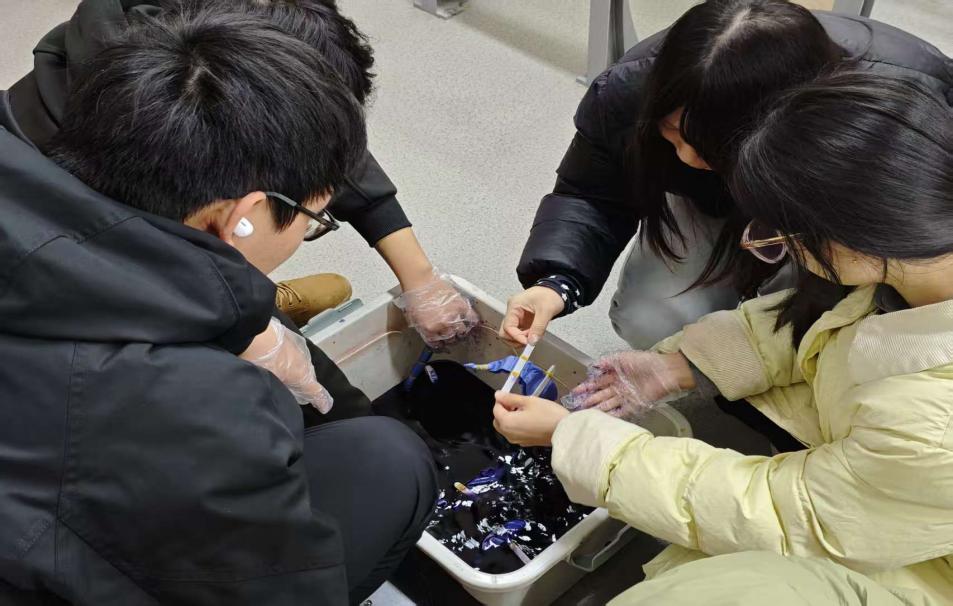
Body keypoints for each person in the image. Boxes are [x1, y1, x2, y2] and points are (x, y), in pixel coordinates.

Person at [0, 9, 436, 604]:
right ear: (243, 217)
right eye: (314, 220)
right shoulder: (210, 414)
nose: (309, 229)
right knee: (392, 460)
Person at [492, 71, 953, 605]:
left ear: (862, 233)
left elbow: (786, 513)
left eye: (782, 234)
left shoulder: (930, 423)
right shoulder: (914, 256)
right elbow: (824, 323)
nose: (773, 248)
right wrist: (681, 364)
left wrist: (577, 442)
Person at [3, 0, 479, 342]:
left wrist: (420, 277)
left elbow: (319, 152)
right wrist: (244, 335)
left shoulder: (201, 61)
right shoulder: (86, 206)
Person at [502, 0, 953, 350]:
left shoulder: (903, 104)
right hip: (708, 199)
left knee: (815, 333)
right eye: (672, 133)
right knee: (651, 319)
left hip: (826, 212)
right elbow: (589, 191)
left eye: (713, 146)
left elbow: (922, 249)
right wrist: (557, 282)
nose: (686, 157)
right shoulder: (631, 90)